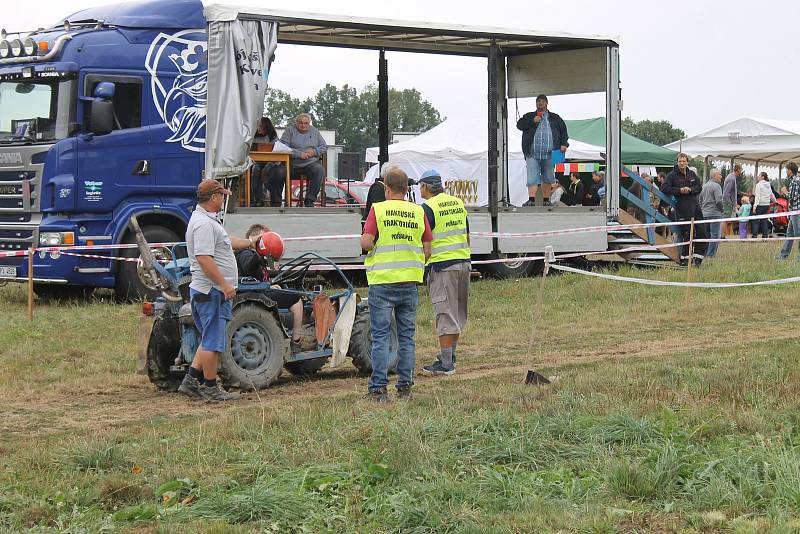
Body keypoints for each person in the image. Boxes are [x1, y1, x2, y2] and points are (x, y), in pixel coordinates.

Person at [178, 180, 259, 401]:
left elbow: (225, 242)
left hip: (208, 290)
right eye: (222, 195)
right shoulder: (204, 225)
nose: (224, 199)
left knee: (208, 339)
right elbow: (204, 259)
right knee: (213, 341)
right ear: (214, 197)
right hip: (212, 291)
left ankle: (191, 381)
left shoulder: (206, 221)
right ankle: (211, 388)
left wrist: (250, 243)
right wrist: (224, 284)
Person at [360, 165, 432, 401]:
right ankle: (405, 388)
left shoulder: (378, 210)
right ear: (406, 188)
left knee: (380, 337)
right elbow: (428, 249)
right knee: (406, 337)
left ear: (387, 188)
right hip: (409, 281)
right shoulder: (418, 211)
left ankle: (378, 390)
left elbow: (367, 242)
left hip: (382, 282)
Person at [416, 169, 470, 376]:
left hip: (442, 265)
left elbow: (425, 241)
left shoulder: (427, 207)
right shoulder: (457, 202)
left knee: (444, 312)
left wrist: (421, 266)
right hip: (463, 262)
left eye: (420, 186)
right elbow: (467, 233)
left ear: (425, 187)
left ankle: (446, 364)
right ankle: (450, 357)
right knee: (456, 312)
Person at [234, 224, 306, 352]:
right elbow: (248, 267)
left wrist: (270, 283)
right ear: (254, 237)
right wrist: (259, 255)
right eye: (263, 238)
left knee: (285, 289)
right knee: (296, 298)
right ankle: (296, 340)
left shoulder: (249, 254)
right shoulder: (246, 253)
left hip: (258, 289)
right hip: (255, 293)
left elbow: (255, 275)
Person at [515, 94, 569, 206]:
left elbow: (563, 132)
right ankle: (531, 200)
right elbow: (519, 125)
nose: (540, 103)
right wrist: (532, 121)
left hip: (550, 153)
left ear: (547, 103)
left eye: (543, 101)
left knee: (548, 177)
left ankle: (546, 200)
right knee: (532, 176)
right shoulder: (529, 116)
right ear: (536, 103)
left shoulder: (555, 118)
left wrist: (564, 144)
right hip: (532, 153)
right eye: (538, 101)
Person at [662, 153, 706, 266]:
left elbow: (699, 187)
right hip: (682, 207)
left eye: (684, 161)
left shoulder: (692, 174)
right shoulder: (672, 175)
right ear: (677, 162)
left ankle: (698, 259)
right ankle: (685, 259)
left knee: (701, 230)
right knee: (686, 233)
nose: (682, 163)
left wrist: (690, 190)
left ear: (687, 162)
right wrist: (680, 190)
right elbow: (665, 188)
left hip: (695, 206)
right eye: (680, 161)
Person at [279, 113, 327, 207]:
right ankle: (276, 201)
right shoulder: (289, 131)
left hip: (310, 164)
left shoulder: (315, 131)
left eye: (306, 123)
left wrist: (314, 151)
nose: (303, 125)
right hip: (291, 165)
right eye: (300, 123)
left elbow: (324, 146)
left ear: (309, 123)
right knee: (277, 171)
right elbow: (282, 147)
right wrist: (299, 154)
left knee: (319, 170)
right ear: (296, 123)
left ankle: (310, 200)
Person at [250, 117, 279, 207]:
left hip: (271, 162)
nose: (259, 129)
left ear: (267, 127)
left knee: (269, 170)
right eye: (258, 127)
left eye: (261, 127)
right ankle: (258, 199)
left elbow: (278, 153)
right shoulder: (253, 138)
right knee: (255, 169)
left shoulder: (273, 137)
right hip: (256, 162)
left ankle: (271, 199)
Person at [699, 169, 724, 257]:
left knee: (706, 235)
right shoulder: (717, 186)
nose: (721, 176)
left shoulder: (704, 186)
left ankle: (704, 253)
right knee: (715, 235)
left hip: (704, 214)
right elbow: (719, 201)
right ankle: (711, 255)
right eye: (720, 174)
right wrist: (722, 209)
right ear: (715, 175)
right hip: (714, 214)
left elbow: (700, 201)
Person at [778, 162, 800, 259]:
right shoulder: (796, 180)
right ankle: (783, 255)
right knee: (789, 233)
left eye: (787, 170)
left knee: (798, 233)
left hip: (796, 211)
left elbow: (793, 198)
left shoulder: (794, 181)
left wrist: (785, 192)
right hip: (794, 211)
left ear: (790, 171)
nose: (786, 171)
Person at [752, 172, 776, 238]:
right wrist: (775, 201)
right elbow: (771, 195)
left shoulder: (758, 185)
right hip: (766, 205)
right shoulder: (768, 185)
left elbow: (757, 196)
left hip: (760, 205)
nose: (758, 176)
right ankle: (765, 235)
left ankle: (754, 236)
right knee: (764, 220)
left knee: (755, 221)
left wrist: (754, 206)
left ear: (762, 177)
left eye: (759, 175)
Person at [722, 163, 742, 236]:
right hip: (728, 203)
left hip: (729, 202)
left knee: (729, 220)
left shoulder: (731, 177)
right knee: (726, 219)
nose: (741, 171)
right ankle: (723, 236)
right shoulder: (732, 179)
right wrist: (730, 203)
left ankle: (726, 235)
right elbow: (726, 192)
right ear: (738, 170)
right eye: (741, 170)